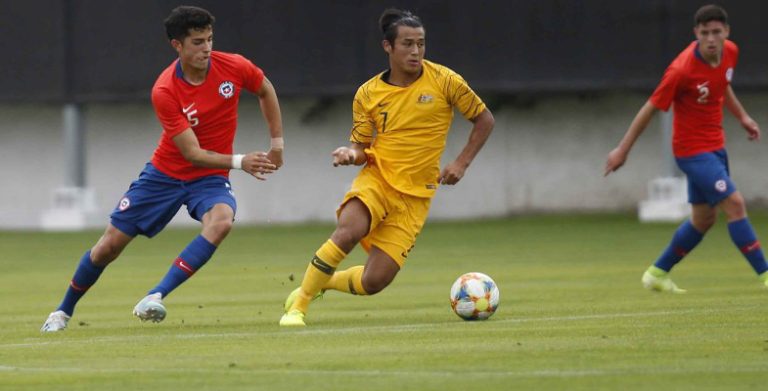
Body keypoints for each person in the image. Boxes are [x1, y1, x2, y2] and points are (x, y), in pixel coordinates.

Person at [41, 5, 284, 332]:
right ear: (177, 45)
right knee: (107, 247)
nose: (207, 48)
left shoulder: (234, 66)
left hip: (209, 178)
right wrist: (241, 161)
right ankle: (62, 311)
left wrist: (277, 145)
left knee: (222, 221)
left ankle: (154, 296)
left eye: (210, 39)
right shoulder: (165, 90)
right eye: (197, 42)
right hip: (165, 175)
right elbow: (192, 153)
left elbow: (265, 89)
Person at [279, 8, 495, 326]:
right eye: (407, 44)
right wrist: (349, 154)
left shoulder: (446, 80)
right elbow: (361, 147)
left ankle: (321, 280)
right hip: (378, 179)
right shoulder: (368, 93)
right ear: (388, 47)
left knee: (375, 281)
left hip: (416, 196)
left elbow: (484, 119)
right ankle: (299, 306)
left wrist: (461, 164)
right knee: (348, 232)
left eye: (420, 44)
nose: (416, 51)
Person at [605, 4, 766, 293]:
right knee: (736, 204)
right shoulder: (682, 70)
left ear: (726, 32)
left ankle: (656, 273)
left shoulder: (731, 52)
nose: (711, 39)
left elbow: (723, 85)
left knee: (703, 219)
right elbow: (650, 109)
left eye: (717, 32)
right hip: (692, 152)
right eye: (705, 33)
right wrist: (622, 149)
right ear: (696, 33)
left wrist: (742, 117)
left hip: (716, 147)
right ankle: (765, 274)